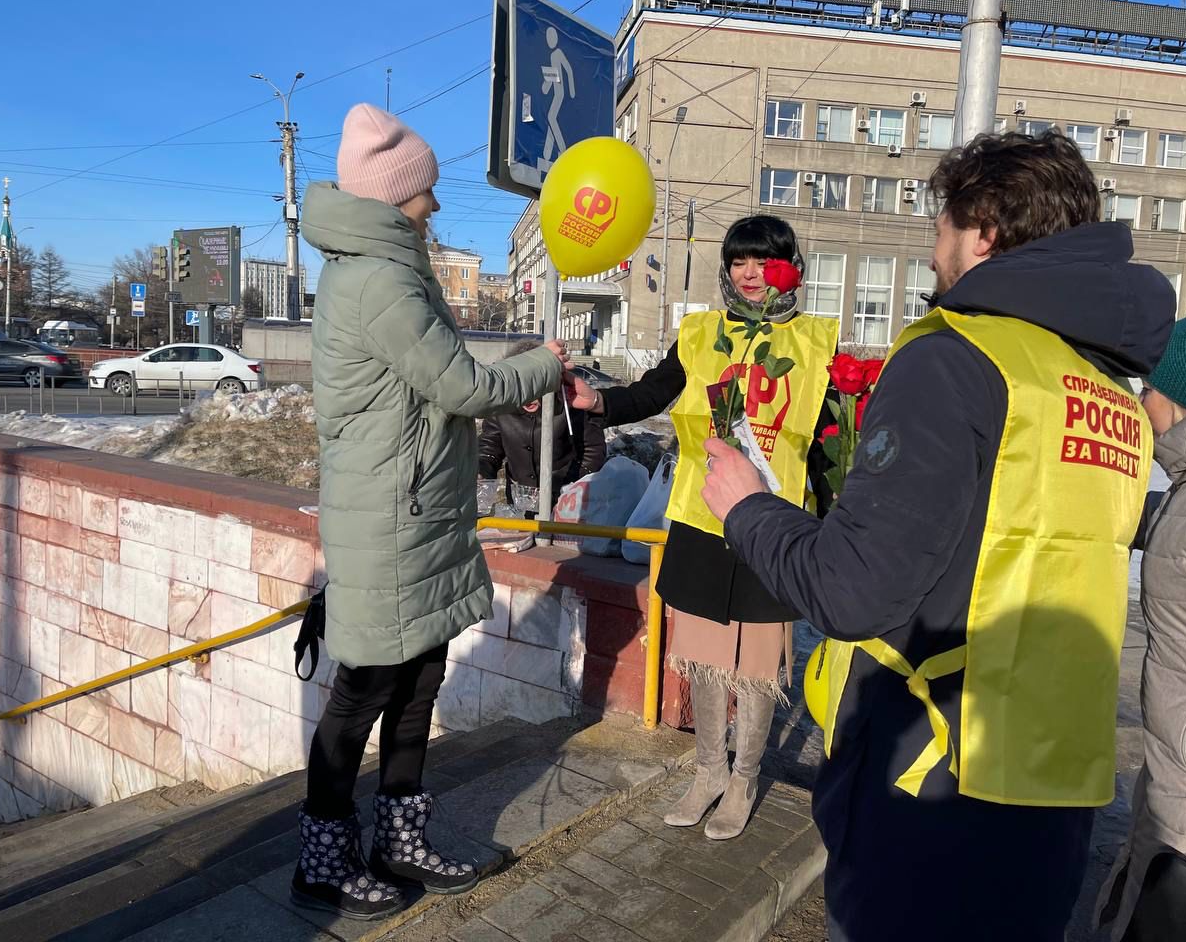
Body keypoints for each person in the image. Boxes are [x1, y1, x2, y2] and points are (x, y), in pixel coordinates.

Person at [701, 131, 1175, 941]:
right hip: (1055, 787)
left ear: (982, 231)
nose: (931, 252)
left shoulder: (957, 358)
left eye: (939, 228)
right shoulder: (1107, 392)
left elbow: (852, 589)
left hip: (930, 787)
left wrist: (748, 508)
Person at [294, 103, 571, 921]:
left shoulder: (389, 269)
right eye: (426, 191)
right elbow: (463, 385)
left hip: (416, 513)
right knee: (364, 691)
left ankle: (399, 839)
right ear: (393, 196)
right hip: (389, 521)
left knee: (418, 682)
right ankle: (321, 862)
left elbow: (436, 380)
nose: (436, 204)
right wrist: (543, 366)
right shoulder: (379, 280)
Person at [565, 215, 838, 840]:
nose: (751, 273)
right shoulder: (700, 333)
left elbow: (827, 441)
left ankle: (744, 778)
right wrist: (598, 401)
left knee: (758, 663)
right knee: (706, 655)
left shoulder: (817, 342)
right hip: (702, 515)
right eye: (740, 261)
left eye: (765, 261)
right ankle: (709, 770)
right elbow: (654, 393)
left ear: (790, 267)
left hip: (774, 523)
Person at [1097, 307, 1186, 938]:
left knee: (1183, 909)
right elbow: (1167, 526)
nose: (1140, 402)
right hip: (1183, 759)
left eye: (1148, 388)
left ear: (1185, 397)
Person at [478, 341, 606, 513]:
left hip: (567, 502)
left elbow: (593, 451)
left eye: (534, 385)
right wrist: (481, 471)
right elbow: (489, 447)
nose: (528, 396)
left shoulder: (572, 405)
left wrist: (570, 485)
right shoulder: (502, 408)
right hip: (520, 500)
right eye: (520, 386)